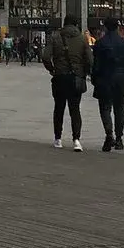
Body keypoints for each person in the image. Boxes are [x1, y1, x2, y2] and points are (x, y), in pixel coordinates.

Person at [90, 18, 124, 152]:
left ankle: (109, 134)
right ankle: (119, 139)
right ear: (118, 27)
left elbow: (95, 65)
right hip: (121, 79)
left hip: (104, 79)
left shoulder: (100, 43)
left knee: (105, 108)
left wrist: (94, 80)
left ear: (105, 28)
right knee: (120, 109)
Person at [44, 14, 92, 150]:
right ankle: (76, 140)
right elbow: (90, 60)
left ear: (64, 24)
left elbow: (46, 56)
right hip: (76, 78)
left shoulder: (55, 37)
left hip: (59, 77)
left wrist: (52, 69)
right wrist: (84, 72)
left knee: (59, 108)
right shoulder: (82, 39)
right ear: (76, 25)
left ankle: (58, 139)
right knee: (75, 109)